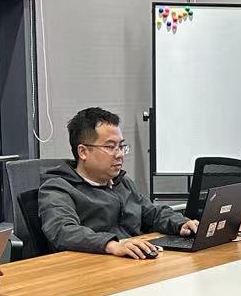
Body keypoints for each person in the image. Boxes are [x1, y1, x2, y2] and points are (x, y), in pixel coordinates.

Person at [38, 107, 197, 259]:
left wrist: (180, 223)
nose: (120, 154)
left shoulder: (122, 182)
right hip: (93, 266)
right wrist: (112, 245)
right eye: (110, 147)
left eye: (121, 146)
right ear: (83, 152)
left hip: (134, 260)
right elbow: (63, 230)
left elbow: (152, 213)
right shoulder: (57, 188)